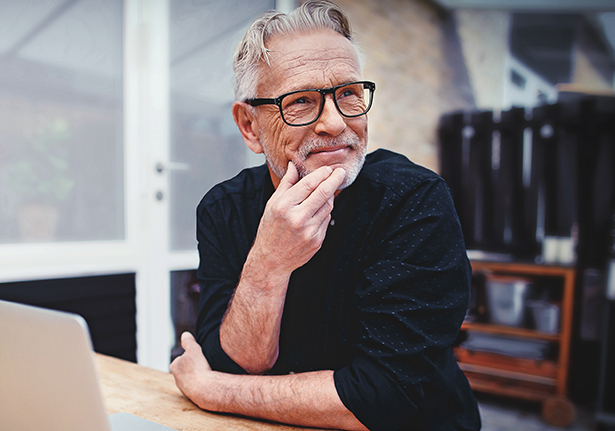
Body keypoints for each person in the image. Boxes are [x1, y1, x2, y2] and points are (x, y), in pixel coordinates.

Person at [170, 1, 481, 430]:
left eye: (348, 94)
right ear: (248, 126)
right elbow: (236, 362)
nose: (335, 123)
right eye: (300, 101)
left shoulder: (414, 200)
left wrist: (215, 391)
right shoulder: (223, 208)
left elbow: (380, 397)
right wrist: (268, 262)